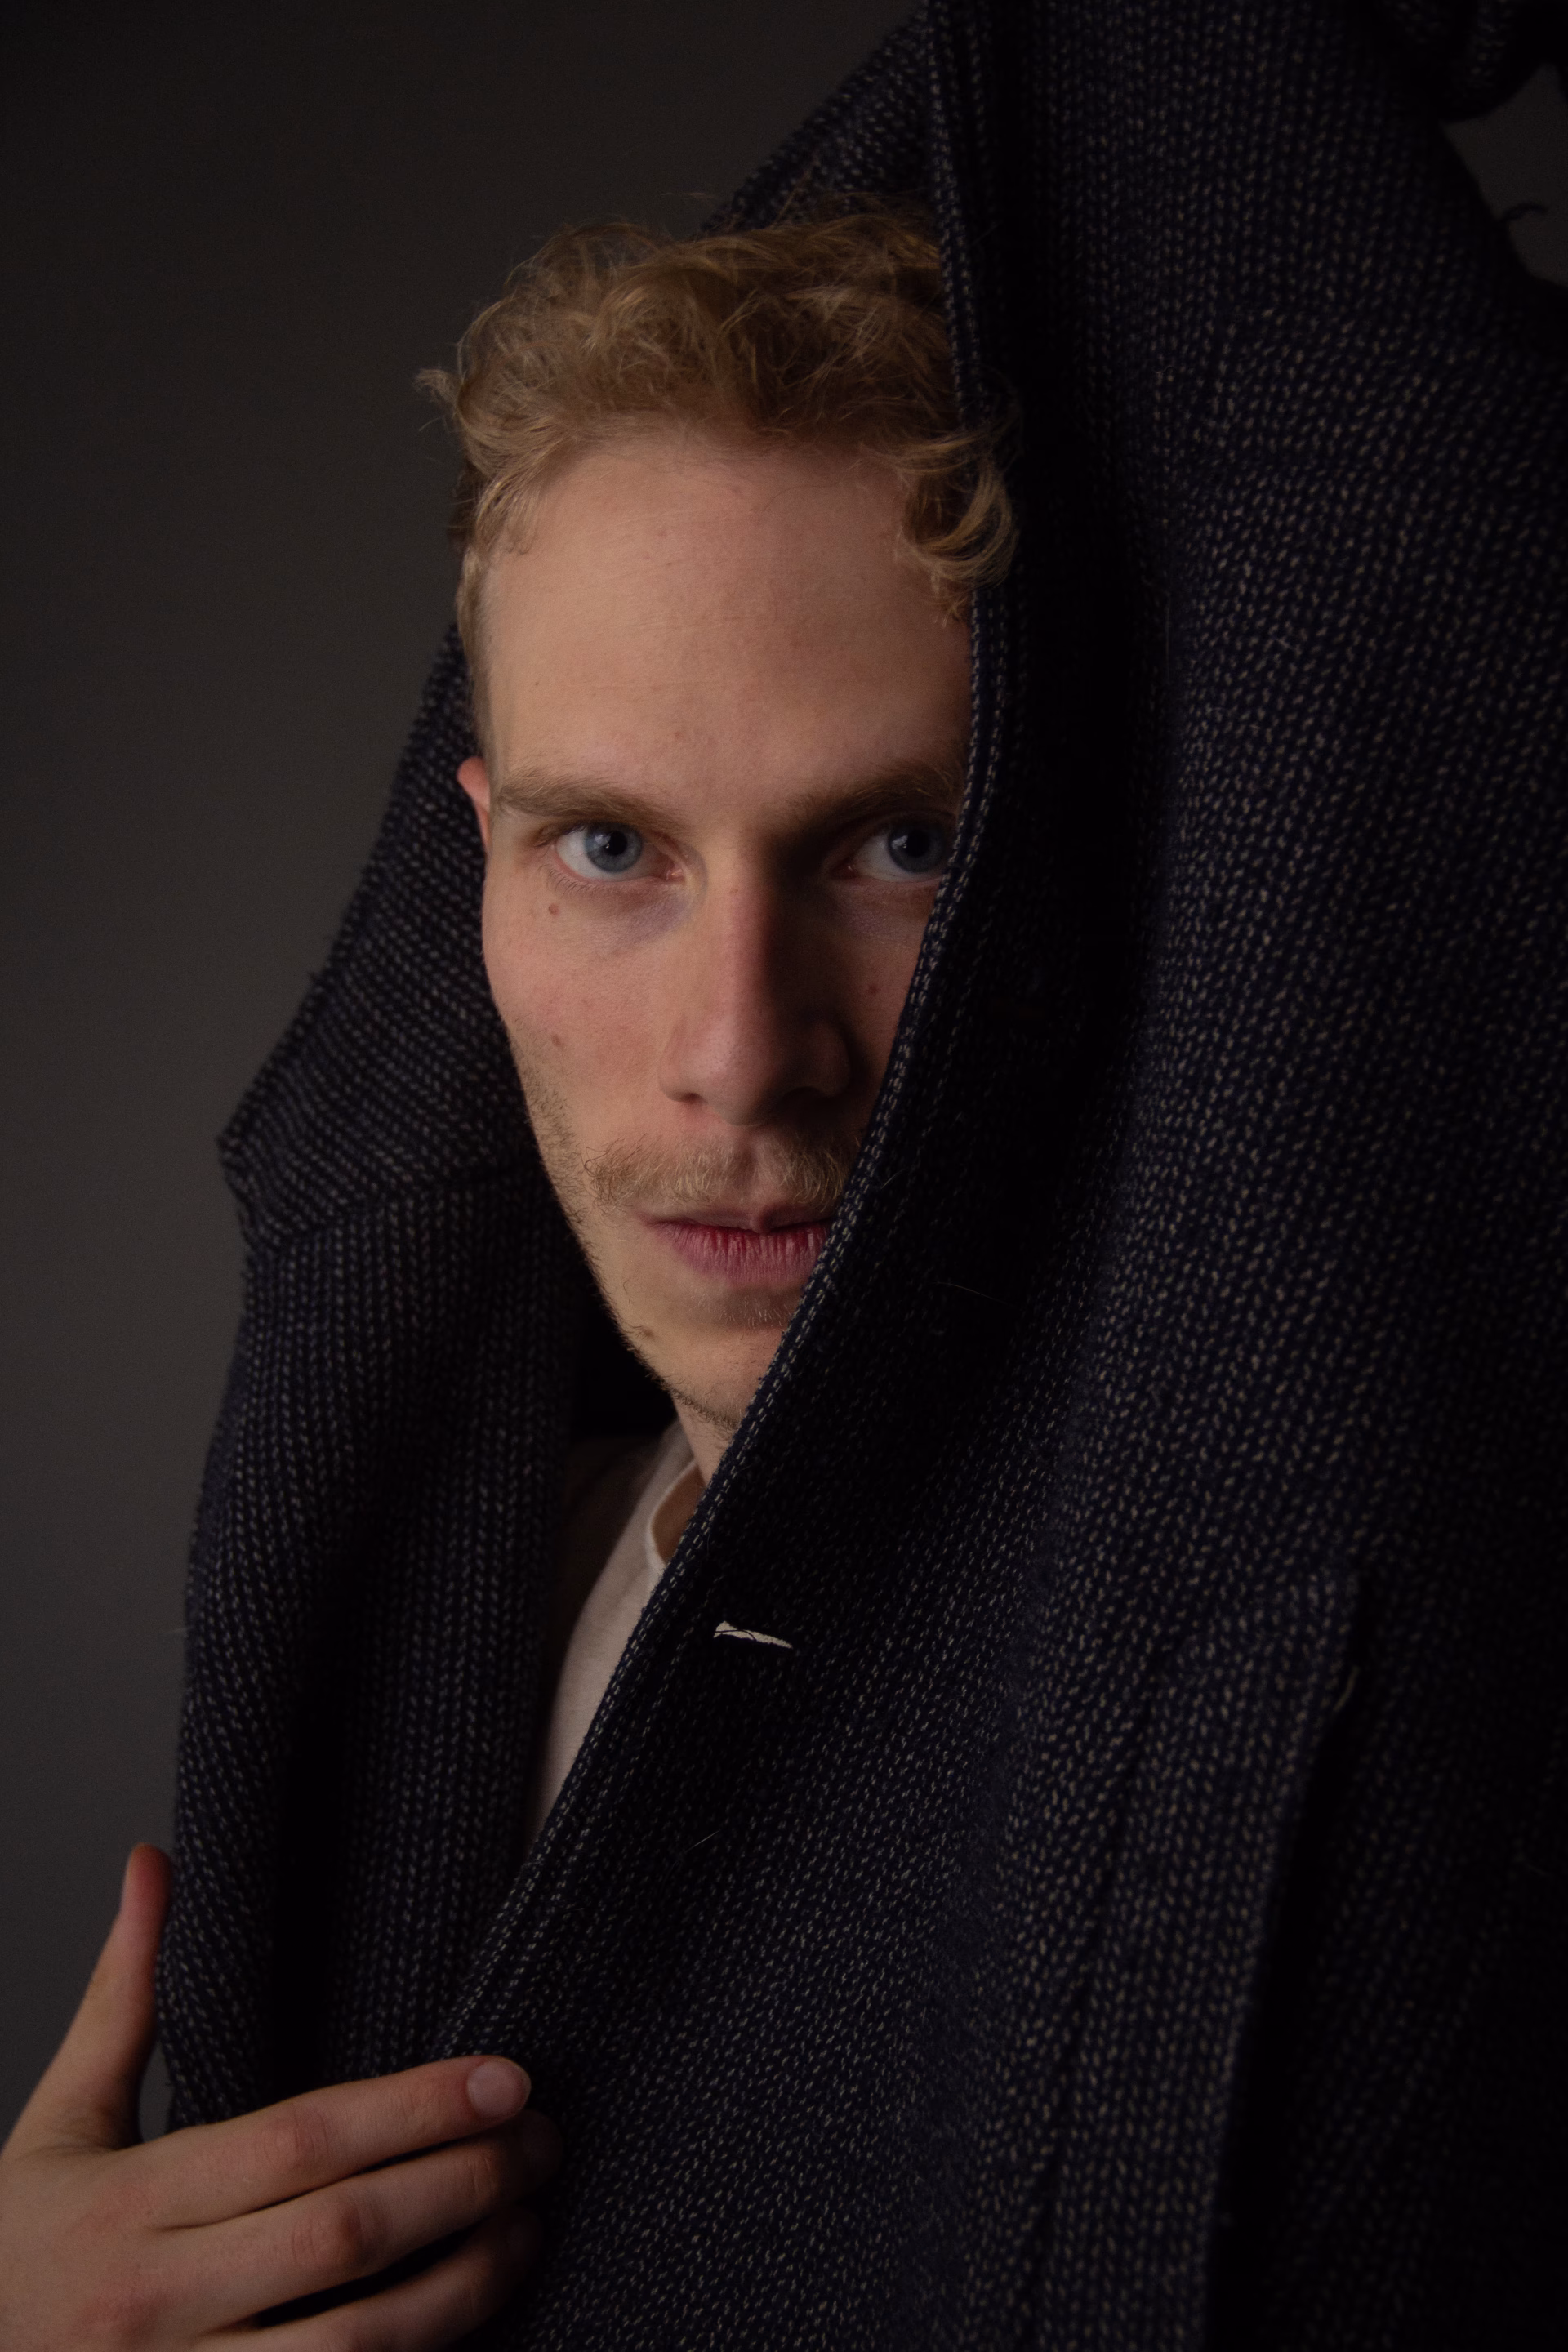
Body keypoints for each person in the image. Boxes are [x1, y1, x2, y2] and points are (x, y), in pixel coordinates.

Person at [5, 0, 1566, 2343]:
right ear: (475, 870)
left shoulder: (1326, 1688)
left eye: (904, 846)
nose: (741, 1051)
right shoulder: (439, 1599)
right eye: (610, 847)